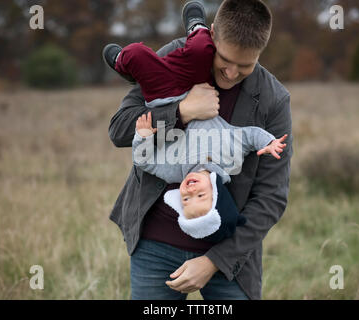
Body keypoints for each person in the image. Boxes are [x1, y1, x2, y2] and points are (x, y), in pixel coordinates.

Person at [108, 0, 293, 300]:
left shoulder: (274, 100)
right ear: (212, 35)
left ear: (261, 53)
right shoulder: (177, 55)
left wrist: (213, 261)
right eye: (225, 60)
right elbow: (119, 129)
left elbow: (271, 197)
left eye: (245, 66)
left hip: (230, 260)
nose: (231, 73)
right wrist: (180, 112)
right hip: (155, 247)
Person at [131, 111, 287, 242]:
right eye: (200, 195)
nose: (191, 192)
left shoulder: (175, 170)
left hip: (178, 95)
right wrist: (269, 142)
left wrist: (143, 137)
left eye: (185, 200)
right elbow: (250, 136)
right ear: (216, 192)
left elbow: (144, 161)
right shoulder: (230, 157)